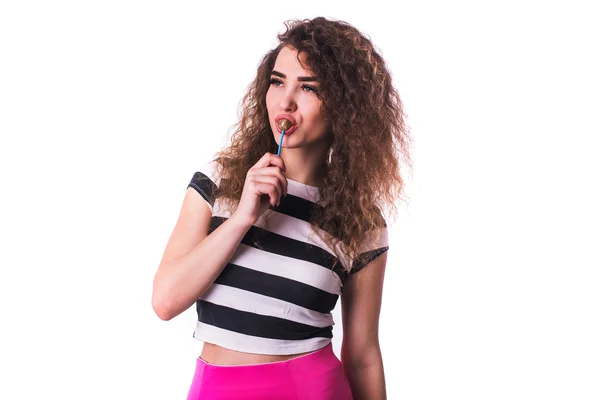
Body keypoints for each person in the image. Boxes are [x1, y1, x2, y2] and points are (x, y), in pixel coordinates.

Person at [152, 16, 412, 400]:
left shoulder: (360, 222)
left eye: (308, 88)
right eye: (277, 81)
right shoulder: (220, 181)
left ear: (345, 109)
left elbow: (362, 356)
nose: (285, 101)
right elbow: (165, 300)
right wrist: (242, 216)